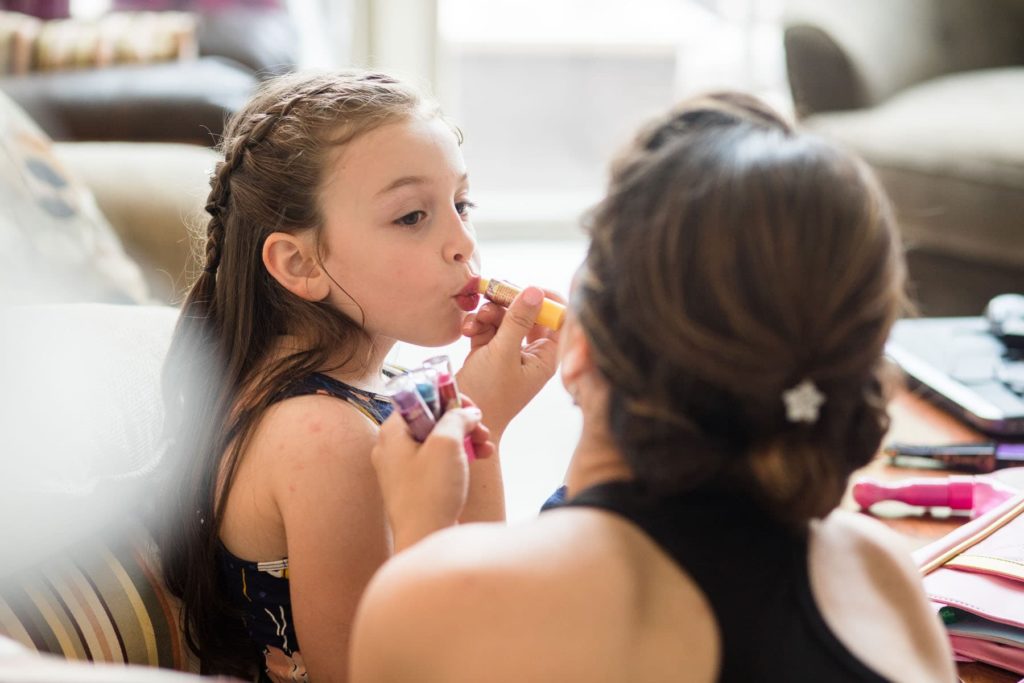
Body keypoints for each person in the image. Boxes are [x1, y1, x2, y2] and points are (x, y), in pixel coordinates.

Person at [350, 93, 958, 682]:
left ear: (582, 346)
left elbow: (485, 613)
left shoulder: (441, 602)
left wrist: (421, 535)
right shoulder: (882, 578)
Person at [154, 70, 560, 682]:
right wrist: (485, 427)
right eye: (412, 216)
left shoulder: (368, 386)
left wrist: (478, 413)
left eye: (461, 203)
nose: (462, 242)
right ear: (299, 263)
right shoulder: (325, 438)